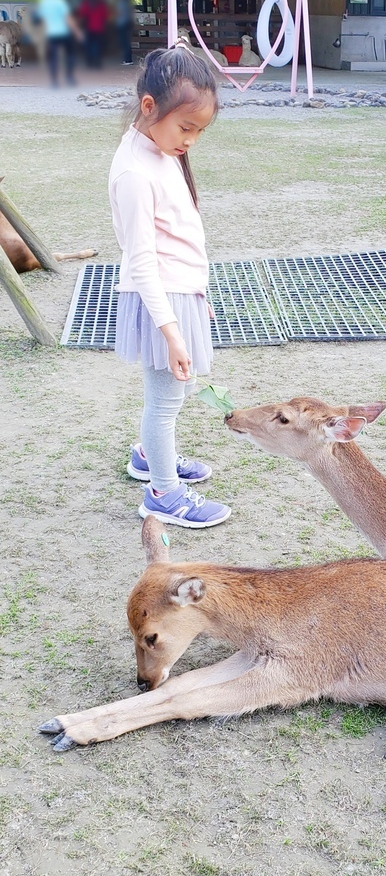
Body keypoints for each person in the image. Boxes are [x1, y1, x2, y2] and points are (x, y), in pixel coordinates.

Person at [110, 46, 230, 528]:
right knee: (164, 402)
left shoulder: (156, 149)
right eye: (187, 127)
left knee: (168, 399)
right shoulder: (135, 172)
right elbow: (141, 261)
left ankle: (149, 457)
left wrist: (198, 299)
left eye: (200, 130)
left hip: (179, 292)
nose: (192, 141)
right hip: (160, 299)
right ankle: (162, 493)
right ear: (148, 107)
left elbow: (179, 235)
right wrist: (172, 331)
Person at [37, 0, 82, 86]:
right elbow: (68, 18)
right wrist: (77, 32)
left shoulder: (44, 4)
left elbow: (43, 21)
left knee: (53, 57)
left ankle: (54, 81)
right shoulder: (60, 2)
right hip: (64, 33)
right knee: (70, 55)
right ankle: (69, 78)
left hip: (52, 34)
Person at [78, 0, 109, 68]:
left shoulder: (86, 2)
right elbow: (105, 14)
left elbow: (82, 14)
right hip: (99, 27)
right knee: (97, 44)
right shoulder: (101, 2)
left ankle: (90, 61)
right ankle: (97, 61)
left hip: (88, 26)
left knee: (89, 44)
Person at [113, 0, 135, 65]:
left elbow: (119, 12)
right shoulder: (127, 1)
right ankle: (128, 58)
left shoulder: (121, 2)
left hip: (122, 23)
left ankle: (127, 59)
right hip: (127, 23)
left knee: (124, 42)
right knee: (126, 41)